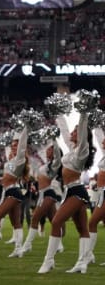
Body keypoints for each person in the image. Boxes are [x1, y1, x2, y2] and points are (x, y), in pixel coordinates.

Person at [38, 103, 97, 273]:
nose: (71, 133)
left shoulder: (82, 151)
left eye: (75, 131)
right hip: (70, 191)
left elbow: (84, 130)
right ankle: (82, 263)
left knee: (56, 221)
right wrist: (58, 115)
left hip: (77, 192)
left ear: (81, 135)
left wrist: (84, 112)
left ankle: (48, 261)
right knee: (82, 229)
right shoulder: (73, 149)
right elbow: (64, 132)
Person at [0, 127, 29, 258]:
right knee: (16, 223)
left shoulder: (20, 160)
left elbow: (21, 147)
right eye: (12, 146)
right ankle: (19, 249)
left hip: (14, 192)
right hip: (8, 191)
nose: (13, 148)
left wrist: (26, 127)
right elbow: (7, 175)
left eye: (16, 146)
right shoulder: (10, 161)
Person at [20, 139, 62, 255]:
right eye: (47, 149)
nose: (47, 151)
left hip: (48, 194)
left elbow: (58, 157)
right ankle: (59, 245)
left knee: (35, 218)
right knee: (54, 221)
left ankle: (27, 245)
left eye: (50, 149)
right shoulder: (46, 165)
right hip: (42, 194)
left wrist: (55, 142)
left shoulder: (54, 165)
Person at [86, 131, 105, 264]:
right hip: (101, 193)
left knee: (92, 222)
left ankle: (88, 255)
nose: (102, 143)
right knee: (92, 222)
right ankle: (89, 254)